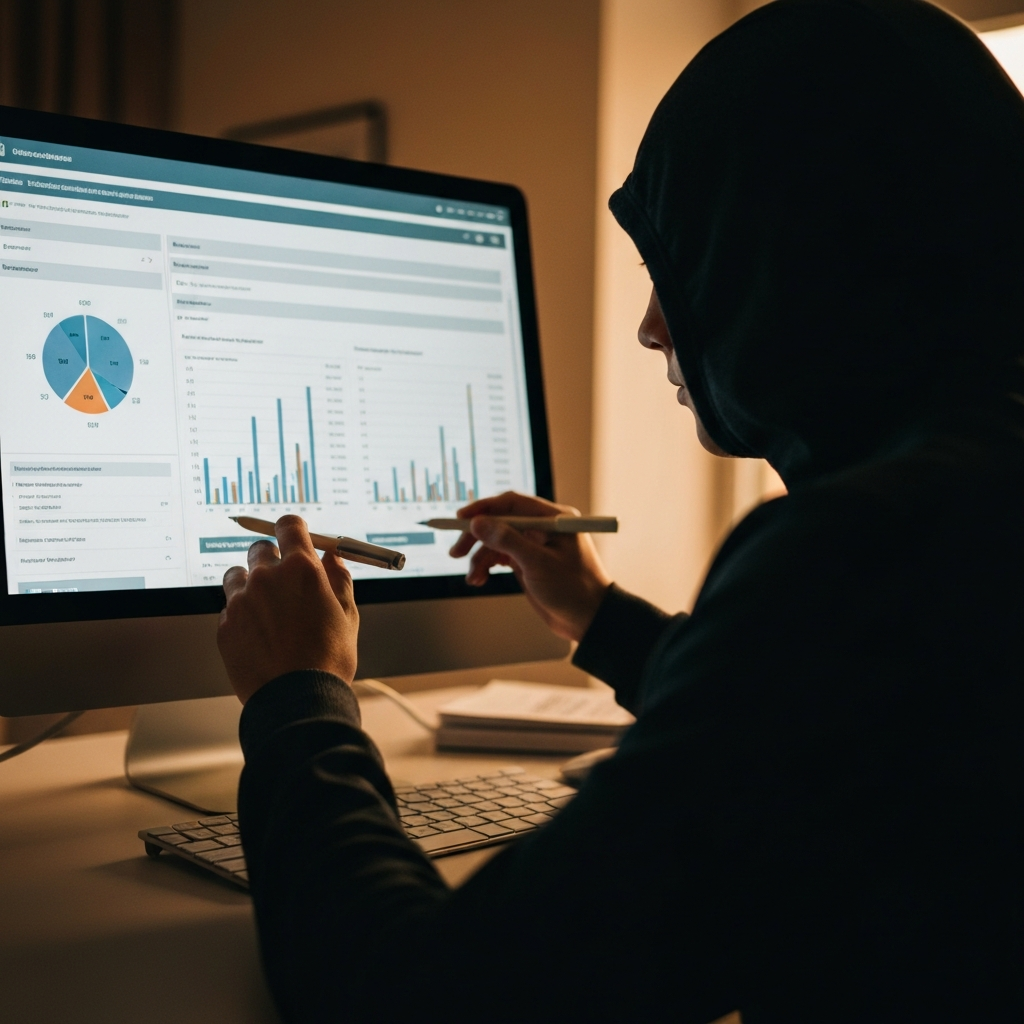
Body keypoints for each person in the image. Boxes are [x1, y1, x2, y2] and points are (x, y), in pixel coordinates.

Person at [216, 1, 1024, 1020]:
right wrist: (602, 618)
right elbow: (850, 727)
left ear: (784, 251)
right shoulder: (971, 501)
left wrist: (296, 696)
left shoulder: (860, 550)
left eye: (679, 262)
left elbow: (415, 994)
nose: (651, 327)